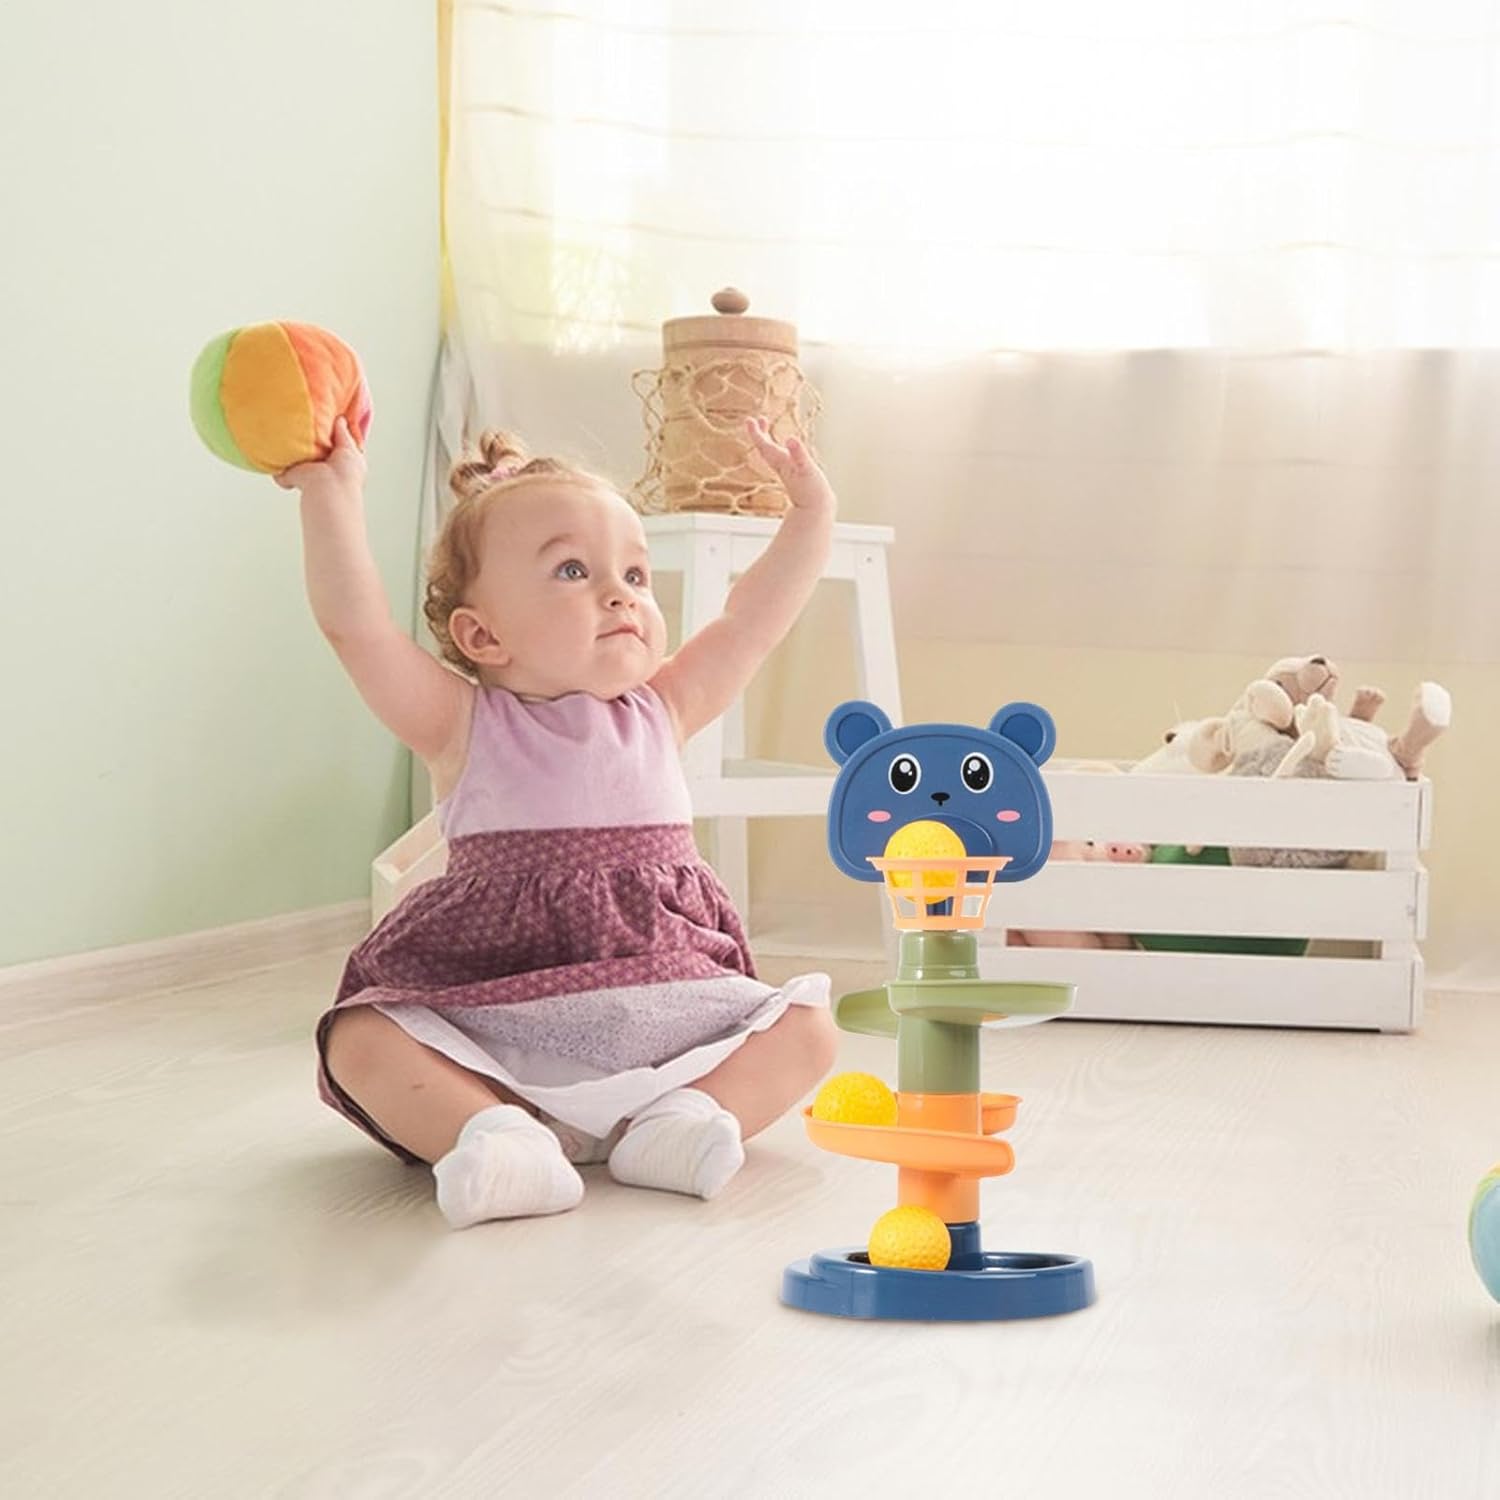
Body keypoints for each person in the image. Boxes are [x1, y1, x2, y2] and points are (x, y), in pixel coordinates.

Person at [279, 415, 840, 1228]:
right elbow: (357, 628)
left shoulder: (665, 709)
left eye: (636, 574)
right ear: (483, 635)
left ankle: (680, 1122)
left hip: (661, 1009)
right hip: (499, 1017)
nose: (621, 593)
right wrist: (331, 495)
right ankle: (496, 1136)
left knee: (811, 1027)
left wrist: (810, 516)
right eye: (573, 570)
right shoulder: (460, 722)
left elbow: (750, 624)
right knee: (358, 1037)